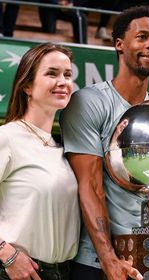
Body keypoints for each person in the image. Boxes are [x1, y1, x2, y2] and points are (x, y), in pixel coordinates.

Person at [60, 5, 149, 280]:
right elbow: (91, 186)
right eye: (142, 37)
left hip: (148, 258)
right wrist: (109, 260)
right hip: (96, 262)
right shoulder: (89, 102)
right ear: (119, 44)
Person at [0, 42, 80, 280]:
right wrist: (6, 254)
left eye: (68, 74)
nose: (63, 81)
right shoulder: (8, 137)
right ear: (26, 85)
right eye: (52, 73)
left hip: (63, 272)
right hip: (15, 272)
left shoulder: (62, 148)